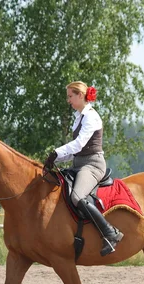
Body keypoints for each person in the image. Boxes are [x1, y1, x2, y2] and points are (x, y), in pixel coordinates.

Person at [44, 81, 124, 256]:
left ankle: (110, 233)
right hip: (78, 164)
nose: (68, 100)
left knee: (77, 196)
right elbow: (74, 153)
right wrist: (53, 159)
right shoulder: (79, 117)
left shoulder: (91, 117)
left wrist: (56, 152)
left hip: (93, 165)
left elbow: (79, 144)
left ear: (80, 95)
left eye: (70, 96)